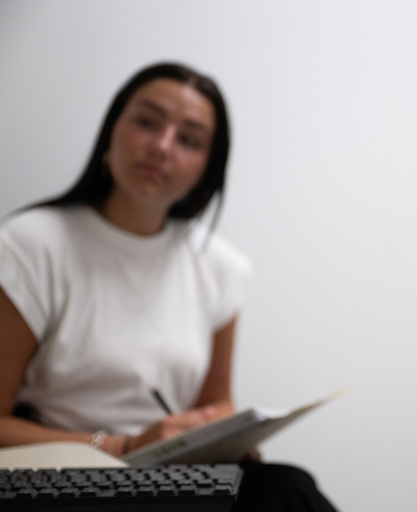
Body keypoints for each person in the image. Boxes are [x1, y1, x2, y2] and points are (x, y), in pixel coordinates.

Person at [0, 62, 338, 511]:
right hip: (61, 479)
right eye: (146, 122)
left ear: (206, 169)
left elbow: (215, 403)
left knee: (289, 489)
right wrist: (122, 447)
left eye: (189, 140)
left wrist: (227, 433)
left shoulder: (218, 265)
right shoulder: (31, 243)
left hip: (170, 477)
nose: (161, 147)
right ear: (110, 132)